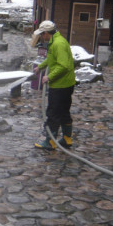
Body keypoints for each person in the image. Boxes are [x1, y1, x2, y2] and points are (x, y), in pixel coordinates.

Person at [31, 20, 76, 150]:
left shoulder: (58, 44)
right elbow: (51, 59)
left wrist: (49, 76)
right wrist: (40, 67)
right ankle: (67, 139)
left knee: (53, 112)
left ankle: (50, 141)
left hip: (60, 85)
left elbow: (63, 66)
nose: (41, 37)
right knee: (63, 111)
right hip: (65, 84)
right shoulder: (54, 42)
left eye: (41, 34)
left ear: (46, 33)